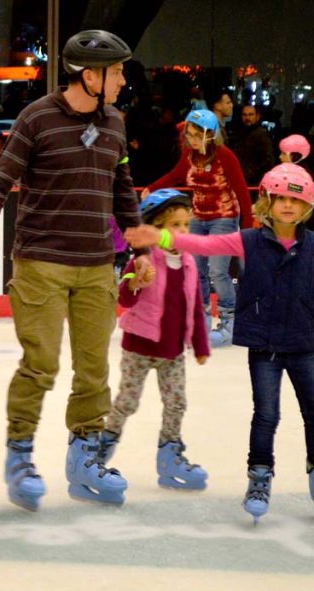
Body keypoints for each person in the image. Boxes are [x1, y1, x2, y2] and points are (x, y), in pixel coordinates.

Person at [0, 30, 141, 510]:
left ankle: (84, 456)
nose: (122, 79)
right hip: (41, 262)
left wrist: (139, 250)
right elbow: (2, 179)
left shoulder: (115, 124)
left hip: (95, 267)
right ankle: (20, 453)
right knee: (41, 364)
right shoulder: (37, 117)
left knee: (94, 370)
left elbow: (123, 190)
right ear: (90, 76)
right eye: (117, 71)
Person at [125, 162, 314, 524]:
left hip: (305, 343)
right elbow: (203, 243)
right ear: (268, 202)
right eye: (280, 199)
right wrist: (162, 238)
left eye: (296, 199)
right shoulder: (248, 241)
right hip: (264, 345)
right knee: (266, 415)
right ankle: (259, 477)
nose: (288, 206)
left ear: (306, 205)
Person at [97, 189, 210, 491]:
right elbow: (124, 297)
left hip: (173, 350)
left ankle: (170, 456)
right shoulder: (144, 260)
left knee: (177, 403)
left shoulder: (188, 262)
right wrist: (135, 282)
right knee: (126, 403)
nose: (183, 232)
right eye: (175, 225)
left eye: (186, 225)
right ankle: (100, 450)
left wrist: (200, 345)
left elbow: (195, 307)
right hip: (140, 347)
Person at [145, 109, 252, 347]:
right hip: (198, 217)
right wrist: (151, 187)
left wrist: (246, 229)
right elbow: (175, 176)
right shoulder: (189, 156)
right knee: (197, 271)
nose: (191, 139)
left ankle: (229, 323)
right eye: (189, 135)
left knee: (218, 272)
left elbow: (242, 192)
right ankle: (200, 323)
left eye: (196, 135)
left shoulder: (225, 156)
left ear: (211, 135)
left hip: (223, 218)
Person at [234, 105, 276, 186]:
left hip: (254, 183)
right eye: (244, 115)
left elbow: (268, 161)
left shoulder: (261, 135)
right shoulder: (241, 134)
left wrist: (250, 175)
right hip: (243, 180)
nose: (247, 118)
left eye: (251, 114)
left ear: (257, 116)